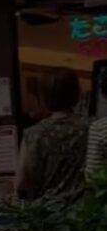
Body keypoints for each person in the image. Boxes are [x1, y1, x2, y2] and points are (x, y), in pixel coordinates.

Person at [16, 68, 89, 204]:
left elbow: (21, 183)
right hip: (83, 214)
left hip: (46, 214)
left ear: (43, 96)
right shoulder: (90, 128)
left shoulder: (33, 134)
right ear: (76, 94)